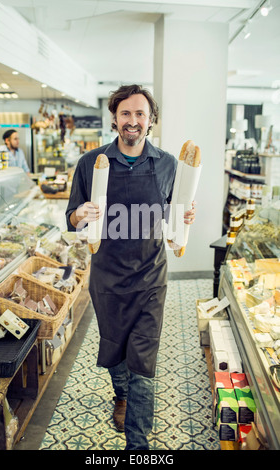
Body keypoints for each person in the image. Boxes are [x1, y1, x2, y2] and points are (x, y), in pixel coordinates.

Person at [66, 84, 196, 450]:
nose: (133, 121)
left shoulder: (168, 163)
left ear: (151, 119)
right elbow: (71, 218)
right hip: (107, 277)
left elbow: (175, 216)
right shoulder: (90, 164)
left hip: (151, 276)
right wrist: (81, 213)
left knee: (142, 360)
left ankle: (137, 445)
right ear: (115, 118)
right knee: (115, 351)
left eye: (140, 113)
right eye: (126, 113)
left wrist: (184, 216)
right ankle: (120, 394)